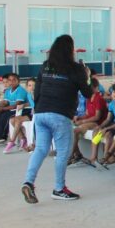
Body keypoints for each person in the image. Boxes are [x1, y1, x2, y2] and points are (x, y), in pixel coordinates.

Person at [21, 34, 93, 203]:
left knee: (40, 149)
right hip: (60, 114)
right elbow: (87, 93)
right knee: (62, 153)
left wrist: (39, 109)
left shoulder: (46, 66)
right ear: (71, 50)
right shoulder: (76, 68)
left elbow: (37, 91)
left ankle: (28, 182)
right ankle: (59, 188)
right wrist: (87, 75)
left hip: (40, 113)